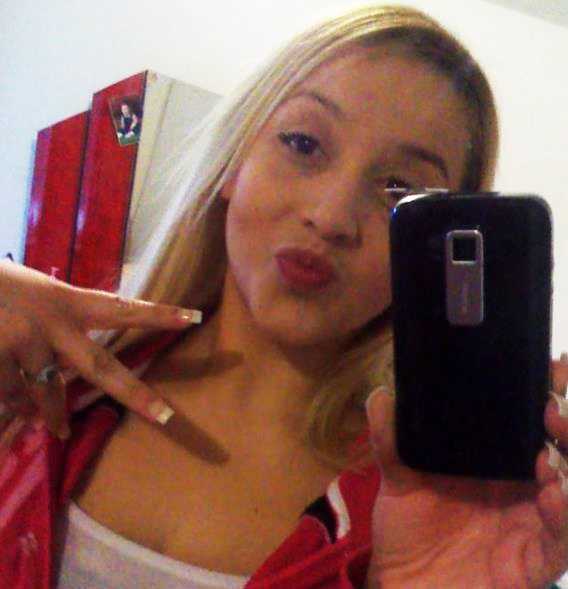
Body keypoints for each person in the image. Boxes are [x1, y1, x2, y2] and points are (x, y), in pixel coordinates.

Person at [1, 4, 567, 588]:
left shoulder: (436, 512)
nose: (331, 217)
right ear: (234, 160)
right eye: (303, 143)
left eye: (400, 189)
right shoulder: (40, 389)